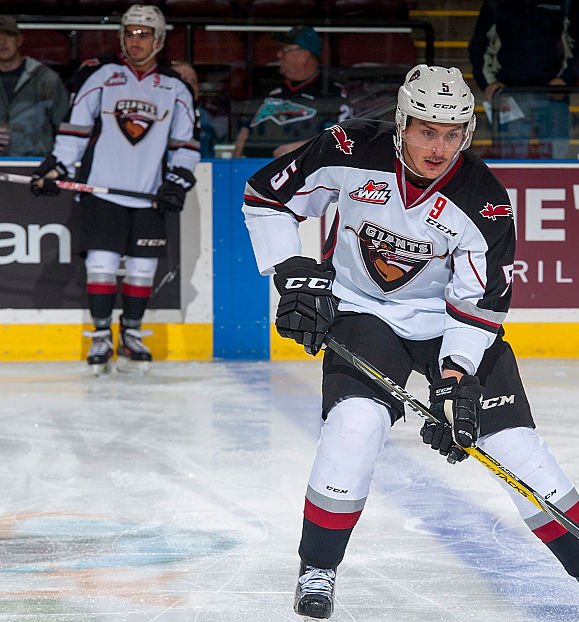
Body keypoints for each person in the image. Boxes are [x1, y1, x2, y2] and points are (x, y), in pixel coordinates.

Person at [241, 65, 579, 622]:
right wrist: (292, 273)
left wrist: (455, 378)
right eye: (427, 131)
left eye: (453, 134)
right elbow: (265, 197)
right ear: (402, 123)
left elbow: (478, 303)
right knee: (355, 424)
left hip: (449, 324)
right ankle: (317, 567)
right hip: (362, 310)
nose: (439, 147)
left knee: (512, 443)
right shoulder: (349, 148)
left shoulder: (485, 200)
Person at [30, 4, 199, 374]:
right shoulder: (102, 76)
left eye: (144, 34)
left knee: (142, 267)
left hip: (148, 194)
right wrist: (56, 166)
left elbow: (185, 144)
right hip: (100, 193)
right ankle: (103, 334)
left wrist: (178, 181)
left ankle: (133, 333)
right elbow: (75, 130)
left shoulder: (175, 88)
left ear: (159, 40)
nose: (135, 41)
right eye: (130, 33)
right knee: (101, 264)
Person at [468, 0, 579, 159]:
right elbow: (479, 45)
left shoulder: (566, 2)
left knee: (557, 162)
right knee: (510, 162)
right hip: (509, 95)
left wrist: (566, 79)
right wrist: (488, 85)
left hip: (554, 95)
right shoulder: (497, 3)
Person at [232, 26, 352, 158]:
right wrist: (235, 164)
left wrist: (300, 148)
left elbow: (341, 138)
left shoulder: (331, 92)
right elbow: (243, 134)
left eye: (285, 50)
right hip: (255, 170)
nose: (278, 55)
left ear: (304, 55)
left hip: (306, 172)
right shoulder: (267, 89)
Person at [0, 15, 70, 157]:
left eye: (8, 35)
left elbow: (66, 128)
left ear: (19, 40)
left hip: (34, 164)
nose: (2, 42)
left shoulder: (45, 79)